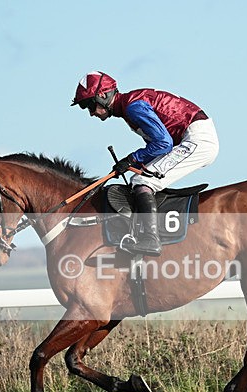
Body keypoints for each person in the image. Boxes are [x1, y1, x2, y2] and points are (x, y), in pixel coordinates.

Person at [71, 71, 219, 256]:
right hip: (190, 137)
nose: (91, 113)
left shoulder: (133, 107)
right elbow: (158, 145)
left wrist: (132, 159)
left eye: (89, 105)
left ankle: (151, 240)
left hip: (197, 139)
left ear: (103, 95)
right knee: (138, 177)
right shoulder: (128, 108)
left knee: (143, 182)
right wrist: (135, 164)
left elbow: (164, 144)